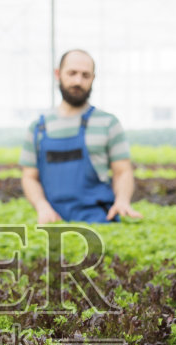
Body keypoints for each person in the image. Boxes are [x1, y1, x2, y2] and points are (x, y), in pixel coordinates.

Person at [20, 49, 141, 223]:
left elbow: (122, 171)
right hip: (54, 221)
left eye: (85, 75)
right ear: (58, 74)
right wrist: (41, 206)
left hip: (99, 220)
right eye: (72, 73)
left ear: (93, 78)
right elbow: (29, 177)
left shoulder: (108, 123)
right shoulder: (38, 128)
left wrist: (122, 200)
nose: (78, 81)